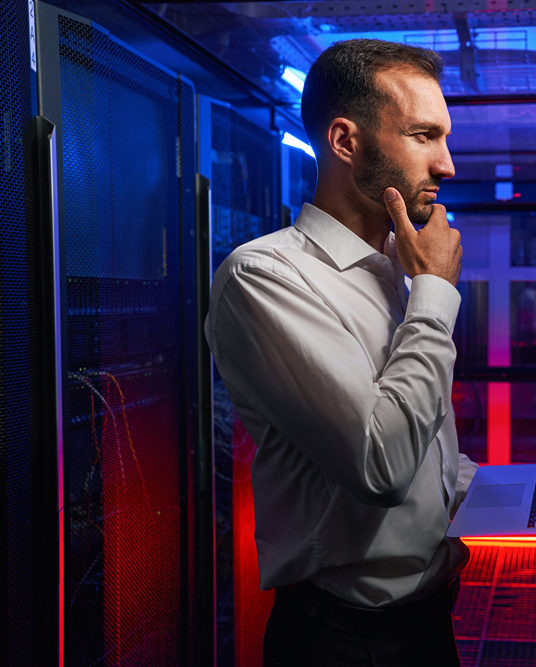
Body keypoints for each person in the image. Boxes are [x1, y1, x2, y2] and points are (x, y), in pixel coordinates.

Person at [204, 39, 478, 666]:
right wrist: (435, 293)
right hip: (344, 643)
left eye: (445, 138)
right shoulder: (264, 277)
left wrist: (472, 493)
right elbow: (379, 464)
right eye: (423, 136)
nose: (447, 165)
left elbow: (422, 438)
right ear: (346, 141)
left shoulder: (397, 273)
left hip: (427, 624)